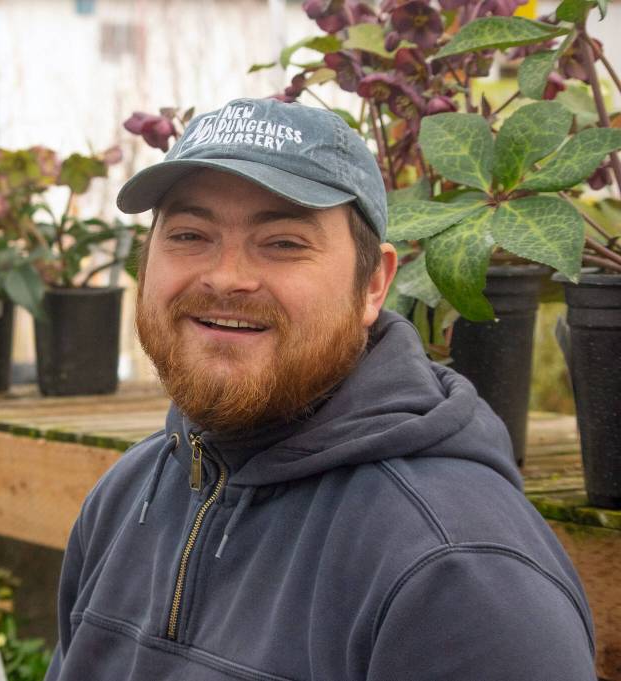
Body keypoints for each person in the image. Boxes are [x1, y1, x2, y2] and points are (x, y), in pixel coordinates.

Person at [44, 97, 597, 681]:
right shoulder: (130, 494)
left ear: (373, 285)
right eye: (189, 234)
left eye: (283, 243)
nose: (226, 277)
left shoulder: (456, 570)